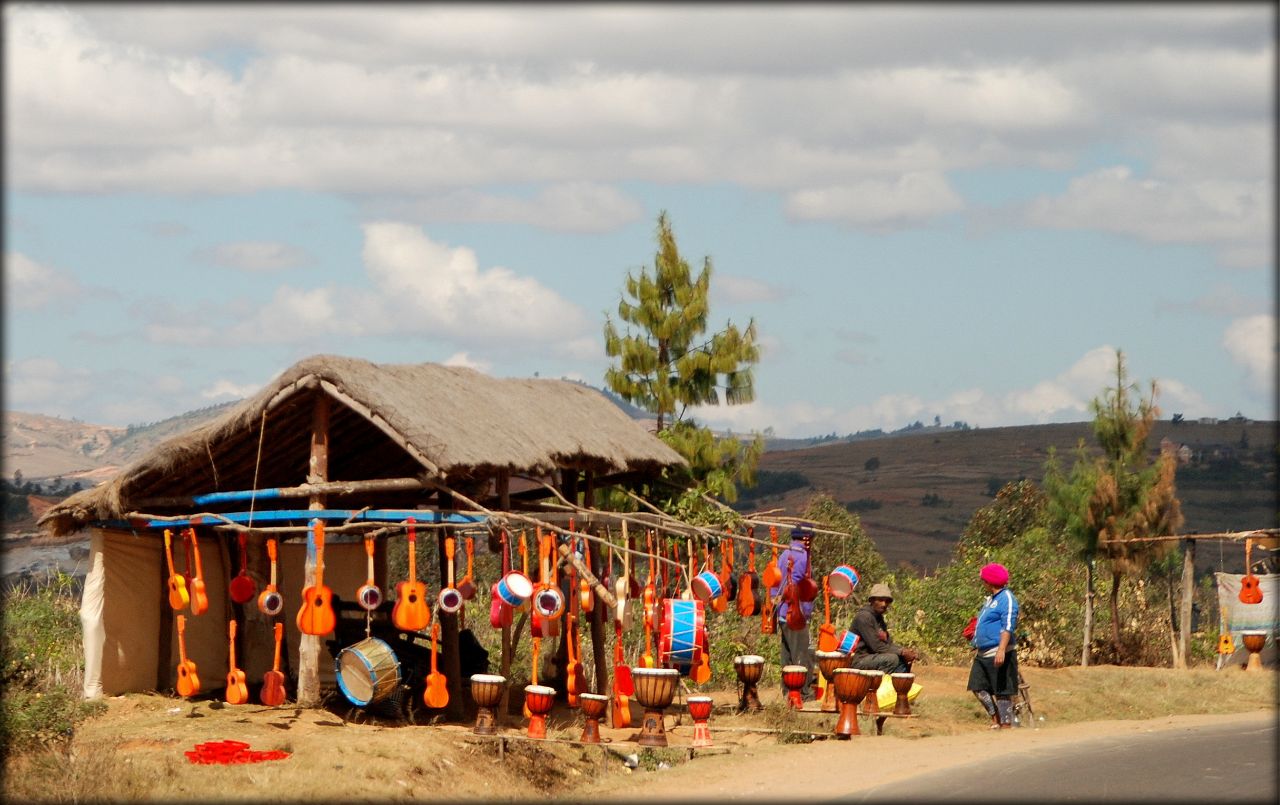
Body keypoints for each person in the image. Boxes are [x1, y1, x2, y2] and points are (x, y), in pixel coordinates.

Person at [967, 562, 1020, 729]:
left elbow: (1008, 626)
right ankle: (995, 716)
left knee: (1002, 691)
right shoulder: (990, 600)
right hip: (983, 654)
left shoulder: (1007, 598)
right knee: (977, 686)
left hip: (999, 651)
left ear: (989, 582)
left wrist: (1002, 650)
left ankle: (1005, 723)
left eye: (984, 581)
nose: (983, 584)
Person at [769, 525, 816, 700]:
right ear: (806, 538)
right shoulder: (801, 555)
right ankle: (803, 692)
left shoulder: (784, 554)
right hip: (795, 613)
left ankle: (787, 690)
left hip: (782, 613)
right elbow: (794, 584)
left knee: (787, 653)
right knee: (803, 654)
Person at [849, 582, 919, 674]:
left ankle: (898, 687)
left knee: (903, 659)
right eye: (881, 600)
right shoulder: (864, 617)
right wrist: (902, 652)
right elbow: (877, 646)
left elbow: (888, 644)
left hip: (874, 657)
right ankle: (879, 686)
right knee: (892, 659)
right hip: (860, 660)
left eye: (887, 601)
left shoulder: (879, 618)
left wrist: (906, 651)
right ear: (872, 600)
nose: (884, 604)